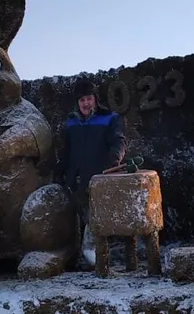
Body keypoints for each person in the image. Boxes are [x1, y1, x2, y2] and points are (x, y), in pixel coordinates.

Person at [56, 78, 126, 267]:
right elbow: (65, 151)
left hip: (99, 177)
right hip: (75, 179)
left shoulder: (109, 118)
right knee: (79, 218)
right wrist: (60, 171)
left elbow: (118, 142)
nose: (86, 103)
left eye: (89, 99)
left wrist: (113, 162)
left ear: (95, 99)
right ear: (77, 103)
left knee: (95, 217)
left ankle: (95, 256)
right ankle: (81, 256)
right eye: (82, 100)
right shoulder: (71, 123)